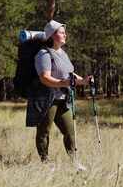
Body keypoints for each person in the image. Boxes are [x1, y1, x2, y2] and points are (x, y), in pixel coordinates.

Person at [27, 20, 92, 168]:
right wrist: (63, 83)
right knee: (44, 132)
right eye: (62, 32)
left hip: (63, 99)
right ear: (52, 35)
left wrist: (84, 81)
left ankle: (75, 162)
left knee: (70, 132)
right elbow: (45, 78)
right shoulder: (43, 54)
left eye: (64, 32)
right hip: (47, 99)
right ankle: (45, 163)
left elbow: (70, 74)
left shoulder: (63, 53)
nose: (65, 35)